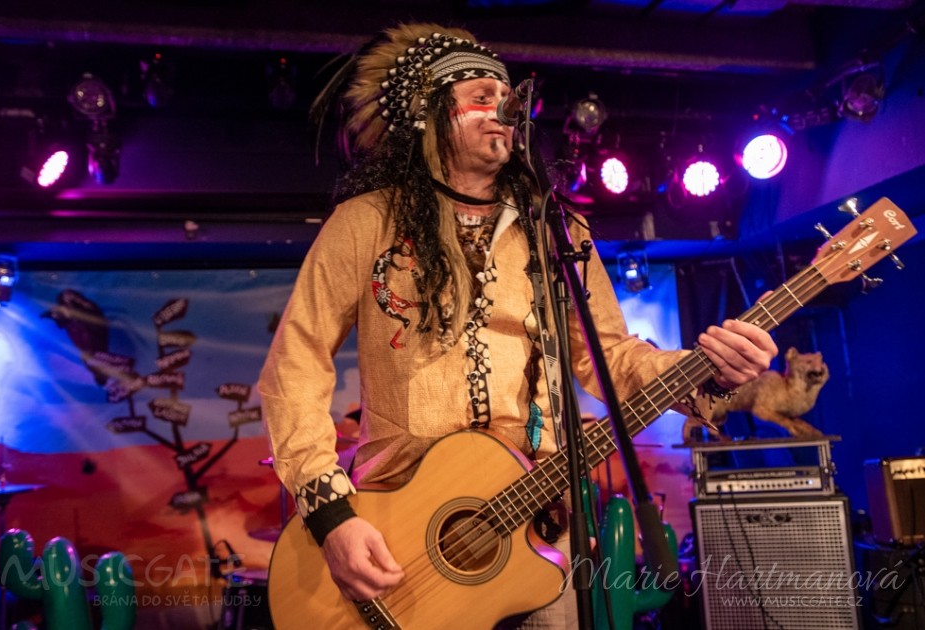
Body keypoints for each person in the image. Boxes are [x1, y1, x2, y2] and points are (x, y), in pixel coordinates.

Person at [258, 21, 778, 628]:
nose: (504, 109)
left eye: (508, 97)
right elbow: (295, 365)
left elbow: (610, 358)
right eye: (480, 96)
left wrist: (707, 371)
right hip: (398, 529)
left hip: (539, 530)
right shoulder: (365, 223)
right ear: (427, 113)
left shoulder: (557, 230)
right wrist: (332, 516)